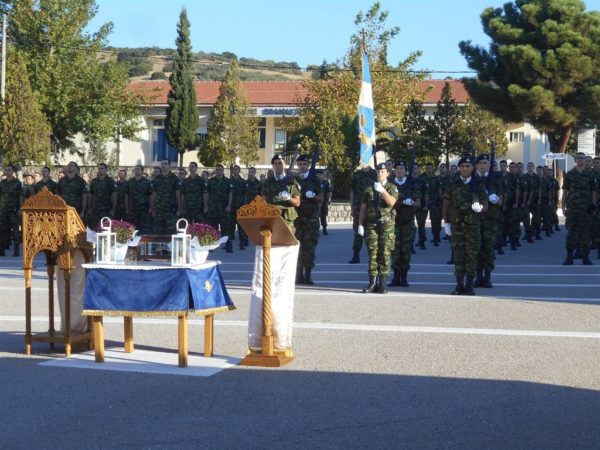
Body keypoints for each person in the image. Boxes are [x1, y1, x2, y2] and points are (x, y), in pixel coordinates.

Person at [443, 155, 487, 295]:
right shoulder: (453, 182)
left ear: (472, 168)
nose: (465, 168)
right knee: (459, 255)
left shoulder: (478, 183)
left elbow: (485, 203)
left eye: (468, 166)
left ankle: (469, 285)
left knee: (471, 255)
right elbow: (446, 204)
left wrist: (481, 208)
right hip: (457, 226)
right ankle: (459, 285)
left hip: (472, 226)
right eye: (462, 166)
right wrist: (446, 223)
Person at [358, 162, 398, 294]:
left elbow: (391, 202)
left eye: (382, 171)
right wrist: (360, 224)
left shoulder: (392, 187)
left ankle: (382, 283)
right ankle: (372, 282)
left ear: (388, 173)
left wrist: (382, 191)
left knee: (385, 253)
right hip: (372, 225)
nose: (380, 173)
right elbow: (363, 208)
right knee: (373, 253)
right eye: (378, 171)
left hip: (387, 225)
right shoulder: (369, 188)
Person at [562, 152, 597, 265]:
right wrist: (563, 207)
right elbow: (565, 192)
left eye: (582, 158)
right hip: (572, 209)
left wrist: (593, 205)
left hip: (586, 209)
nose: (581, 160)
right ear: (575, 160)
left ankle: (585, 257)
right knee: (572, 233)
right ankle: (569, 257)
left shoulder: (590, 174)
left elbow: (593, 191)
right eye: (578, 158)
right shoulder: (570, 174)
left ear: (585, 161)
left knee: (585, 233)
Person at [473, 154, 503, 288]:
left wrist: (496, 199)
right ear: (477, 165)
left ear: (489, 165)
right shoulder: (472, 179)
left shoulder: (497, 179)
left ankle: (488, 277)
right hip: (475, 219)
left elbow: (502, 200)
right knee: (476, 249)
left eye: (485, 163)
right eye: (480, 163)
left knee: (489, 249)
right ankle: (478, 276)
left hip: (491, 220)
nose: (483, 165)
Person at [389, 160, 419, 287]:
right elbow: (386, 202)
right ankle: (396, 277)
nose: (399, 170)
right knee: (395, 251)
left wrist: (411, 203)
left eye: (402, 168)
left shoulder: (411, 183)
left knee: (406, 251)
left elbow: (418, 203)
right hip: (393, 222)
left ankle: (404, 278)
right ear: (394, 170)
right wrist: (400, 203)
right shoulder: (390, 184)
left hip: (407, 223)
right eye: (398, 168)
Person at [293, 154, 323, 285]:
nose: (302, 166)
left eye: (304, 164)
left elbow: (321, 198)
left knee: (309, 247)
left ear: (308, 165)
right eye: (300, 164)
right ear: (297, 165)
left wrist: (313, 196)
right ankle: (298, 275)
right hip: (296, 219)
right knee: (296, 247)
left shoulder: (315, 180)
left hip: (311, 219)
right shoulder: (293, 180)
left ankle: (308, 275)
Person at [261, 154, 300, 232]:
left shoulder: (291, 182)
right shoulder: (268, 182)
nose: (277, 166)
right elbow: (263, 202)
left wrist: (288, 198)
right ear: (272, 166)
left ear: (285, 165)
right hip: (272, 218)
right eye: (275, 164)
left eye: (280, 163)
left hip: (287, 220)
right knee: (272, 243)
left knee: (287, 243)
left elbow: (297, 202)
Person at [348, 163, 377, 263]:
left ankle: (374, 257)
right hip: (358, 207)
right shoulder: (356, 174)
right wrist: (352, 207)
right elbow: (352, 191)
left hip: (372, 207)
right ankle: (356, 255)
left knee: (373, 232)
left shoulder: (375, 173)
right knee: (358, 232)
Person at [207, 164, 233, 253]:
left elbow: (230, 193)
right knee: (212, 228)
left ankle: (228, 245)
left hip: (224, 208)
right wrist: (207, 206)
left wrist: (229, 205)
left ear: (223, 171)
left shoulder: (227, 181)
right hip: (213, 207)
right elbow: (207, 194)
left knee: (225, 228)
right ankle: (211, 246)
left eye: (220, 169)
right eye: (217, 169)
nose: (218, 171)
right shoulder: (211, 181)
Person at [151, 159, 181, 235]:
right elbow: (154, 194)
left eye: (165, 164)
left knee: (171, 233)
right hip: (159, 210)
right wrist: (153, 208)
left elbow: (178, 194)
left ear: (169, 166)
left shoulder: (174, 179)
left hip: (170, 210)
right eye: (162, 164)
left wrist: (179, 209)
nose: (163, 165)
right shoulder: (156, 179)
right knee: (157, 233)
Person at [0, 164, 24, 257]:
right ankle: (2, 248)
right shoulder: (2, 182)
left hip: (14, 209)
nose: (7, 171)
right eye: (6, 170)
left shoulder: (17, 182)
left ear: (13, 172)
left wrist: (20, 208)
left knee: (15, 230)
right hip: (3, 209)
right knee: (2, 229)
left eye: (9, 170)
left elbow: (21, 196)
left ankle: (16, 249)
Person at [125, 164, 154, 234]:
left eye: (138, 169)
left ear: (142, 171)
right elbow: (126, 195)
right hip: (132, 209)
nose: (136, 171)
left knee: (143, 229)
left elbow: (151, 195)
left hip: (143, 209)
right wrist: (127, 207)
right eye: (135, 169)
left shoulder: (147, 182)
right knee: (131, 228)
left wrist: (151, 207)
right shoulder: (130, 182)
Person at [87, 163, 117, 228]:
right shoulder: (94, 181)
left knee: (106, 227)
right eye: (99, 168)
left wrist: (113, 209)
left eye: (102, 168)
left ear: (106, 170)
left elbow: (114, 195)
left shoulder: (110, 181)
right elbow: (91, 195)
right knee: (94, 227)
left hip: (106, 209)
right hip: (95, 209)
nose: (100, 170)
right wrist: (89, 208)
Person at [229, 165, 247, 249]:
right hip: (231, 206)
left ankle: (242, 242)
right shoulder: (229, 181)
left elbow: (245, 195)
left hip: (240, 206)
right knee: (230, 225)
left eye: (237, 169)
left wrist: (244, 205)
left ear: (239, 171)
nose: (235, 171)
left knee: (241, 225)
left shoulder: (243, 182)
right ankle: (229, 244)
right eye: (234, 169)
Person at [316, 169, 331, 235]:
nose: (319, 176)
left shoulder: (325, 182)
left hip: (324, 202)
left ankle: (324, 229)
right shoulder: (313, 182)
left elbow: (329, 192)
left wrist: (328, 200)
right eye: (318, 175)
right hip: (316, 202)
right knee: (316, 217)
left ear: (323, 175)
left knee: (323, 216)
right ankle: (317, 231)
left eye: (320, 174)